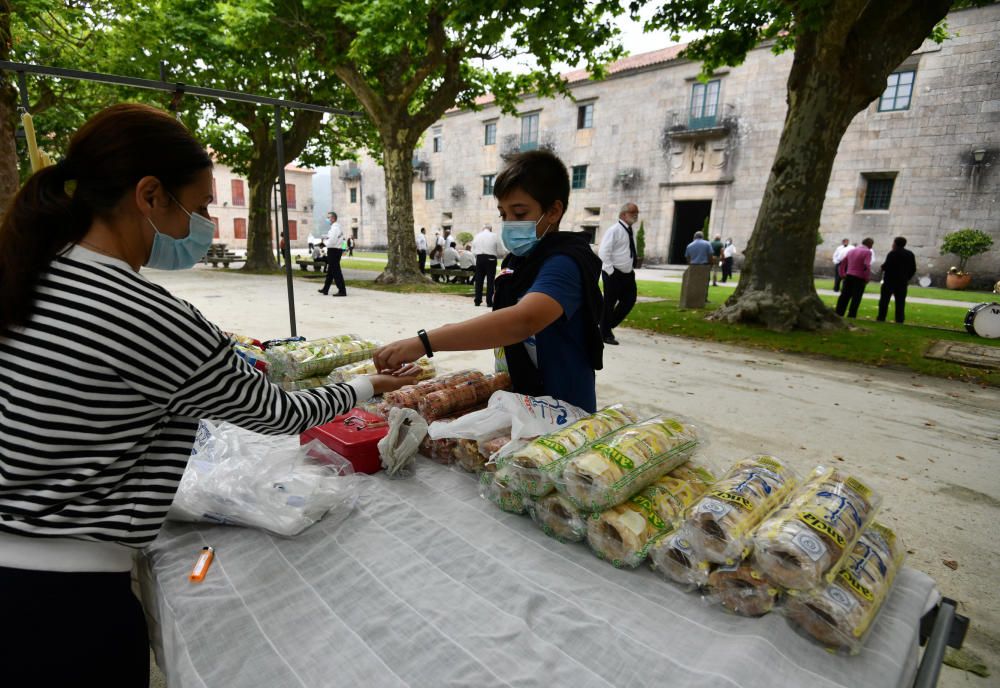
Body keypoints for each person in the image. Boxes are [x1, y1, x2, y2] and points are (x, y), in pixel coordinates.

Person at [0, 103, 415, 688]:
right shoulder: (143, 312)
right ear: (149, 196)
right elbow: (278, 413)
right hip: (63, 598)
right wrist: (366, 386)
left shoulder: (35, 270)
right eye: (195, 209)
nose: (203, 227)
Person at [373, 149, 604, 412]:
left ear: (553, 211)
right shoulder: (519, 262)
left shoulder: (565, 263)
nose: (509, 224)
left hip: (562, 408)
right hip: (522, 397)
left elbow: (523, 320)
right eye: (503, 214)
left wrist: (424, 342)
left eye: (519, 213)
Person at [597, 202, 640, 346]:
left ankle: (606, 325)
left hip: (627, 273)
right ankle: (605, 333)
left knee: (630, 299)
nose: (636, 215)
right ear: (623, 214)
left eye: (637, 213)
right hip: (613, 272)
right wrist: (610, 271)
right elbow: (604, 251)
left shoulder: (629, 230)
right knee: (609, 303)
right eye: (633, 213)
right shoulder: (614, 230)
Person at [877, 236, 917, 323]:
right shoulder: (910, 254)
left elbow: (886, 266)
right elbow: (913, 268)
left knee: (884, 300)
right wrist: (907, 278)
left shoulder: (892, 253)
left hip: (890, 280)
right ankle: (899, 319)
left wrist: (882, 267)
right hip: (902, 281)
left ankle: (881, 317)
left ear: (895, 243)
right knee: (900, 302)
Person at [835, 237, 874, 318]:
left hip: (849, 276)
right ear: (869, 244)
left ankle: (839, 313)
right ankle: (852, 314)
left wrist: (842, 274)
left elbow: (843, 263)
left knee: (844, 296)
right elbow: (867, 265)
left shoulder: (851, 250)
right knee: (856, 298)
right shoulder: (868, 252)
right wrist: (867, 278)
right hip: (859, 278)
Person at [471, 223, 502, 307]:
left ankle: (477, 300)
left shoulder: (477, 235)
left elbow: (472, 249)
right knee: (490, 280)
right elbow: (500, 249)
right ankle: (489, 301)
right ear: (491, 229)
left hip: (479, 258)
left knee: (479, 280)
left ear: (483, 229)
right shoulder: (495, 236)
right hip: (491, 258)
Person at [317, 211, 347, 296]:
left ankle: (342, 290)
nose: (327, 219)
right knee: (331, 271)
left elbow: (331, 242)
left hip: (333, 250)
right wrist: (326, 238)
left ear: (333, 218)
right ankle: (325, 289)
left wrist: (324, 242)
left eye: (328, 217)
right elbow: (336, 239)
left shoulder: (335, 228)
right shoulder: (337, 227)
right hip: (336, 250)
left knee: (336, 271)